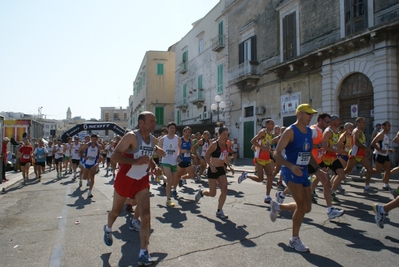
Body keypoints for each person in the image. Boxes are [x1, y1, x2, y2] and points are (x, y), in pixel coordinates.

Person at [269, 104, 340, 252]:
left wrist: (318, 170)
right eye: (308, 114)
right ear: (299, 114)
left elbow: (308, 155)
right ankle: (294, 239)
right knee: (301, 206)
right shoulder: (290, 131)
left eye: (311, 114)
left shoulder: (308, 132)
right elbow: (276, 153)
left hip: (304, 172)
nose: (310, 117)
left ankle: (278, 206)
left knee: (307, 207)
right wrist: (290, 165)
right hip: (290, 171)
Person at [104, 111, 165, 266]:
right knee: (116, 212)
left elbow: (149, 158)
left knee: (146, 216)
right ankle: (108, 228)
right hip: (125, 180)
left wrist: (155, 167)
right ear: (141, 123)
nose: (154, 123)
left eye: (155, 121)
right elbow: (114, 156)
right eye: (151, 121)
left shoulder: (153, 140)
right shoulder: (131, 137)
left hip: (142, 181)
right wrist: (135, 161)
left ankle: (143, 253)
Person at [195, 125, 234, 219]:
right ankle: (201, 193)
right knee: (213, 193)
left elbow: (225, 157)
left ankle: (219, 210)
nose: (226, 136)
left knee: (224, 189)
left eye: (227, 134)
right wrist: (211, 166)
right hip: (213, 169)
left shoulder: (227, 144)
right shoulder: (214, 144)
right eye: (224, 134)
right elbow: (207, 156)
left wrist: (229, 166)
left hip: (221, 169)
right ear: (219, 134)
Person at [238, 119, 275, 203]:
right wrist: (262, 148)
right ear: (267, 125)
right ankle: (246, 175)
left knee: (270, 177)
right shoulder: (263, 132)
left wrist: (271, 150)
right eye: (271, 124)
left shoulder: (271, 135)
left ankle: (267, 196)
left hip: (267, 159)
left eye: (273, 124)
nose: (273, 125)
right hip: (259, 158)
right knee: (260, 179)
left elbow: (267, 146)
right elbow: (252, 141)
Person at [344, 117, 377, 194]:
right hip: (355, 154)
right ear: (357, 123)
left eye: (364, 123)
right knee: (347, 170)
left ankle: (367, 187)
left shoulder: (361, 132)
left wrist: (365, 150)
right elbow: (356, 142)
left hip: (361, 155)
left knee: (369, 169)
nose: (364, 124)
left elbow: (361, 143)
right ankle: (335, 181)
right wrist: (367, 149)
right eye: (362, 123)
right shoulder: (356, 131)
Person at [158, 122, 181, 207]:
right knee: (170, 180)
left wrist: (179, 156)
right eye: (170, 128)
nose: (172, 129)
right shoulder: (163, 139)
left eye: (173, 128)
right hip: (166, 160)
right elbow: (158, 149)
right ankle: (168, 199)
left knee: (173, 181)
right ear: (167, 129)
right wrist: (161, 156)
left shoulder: (178, 139)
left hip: (174, 161)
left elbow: (179, 149)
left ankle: (161, 176)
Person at [79, 134, 100, 198]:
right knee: (85, 177)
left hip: (93, 163)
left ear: (97, 139)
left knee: (92, 176)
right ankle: (83, 177)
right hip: (86, 162)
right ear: (91, 139)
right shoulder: (87, 145)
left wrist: (99, 158)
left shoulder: (98, 146)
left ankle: (90, 191)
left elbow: (99, 153)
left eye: (95, 139)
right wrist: (83, 156)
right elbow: (80, 151)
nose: (94, 140)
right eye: (92, 139)